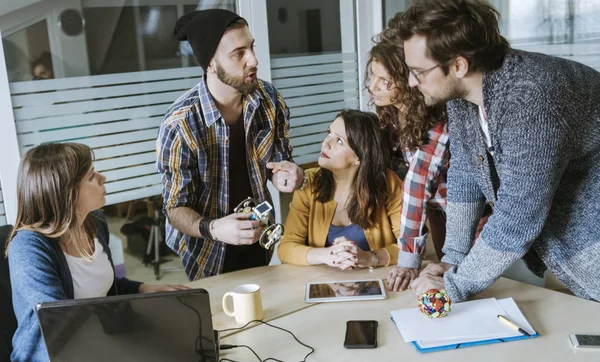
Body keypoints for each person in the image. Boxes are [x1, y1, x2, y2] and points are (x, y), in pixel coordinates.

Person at [391, 0, 600, 302]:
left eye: (418, 72)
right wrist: (453, 260)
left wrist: (454, 286)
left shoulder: (531, 96)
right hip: (569, 242)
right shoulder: (463, 93)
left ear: (459, 65)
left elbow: (519, 215)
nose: (411, 82)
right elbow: (465, 171)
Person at [157, 9, 305, 280]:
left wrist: (288, 175)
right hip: (207, 247)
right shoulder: (180, 124)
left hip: (260, 234)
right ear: (211, 63)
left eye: (251, 47)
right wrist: (215, 229)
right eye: (239, 53)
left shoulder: (269, 99)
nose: (253, 60)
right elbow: (175, 207)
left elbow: (280, 161)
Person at [6, 142, 187, 362]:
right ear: (66, 193)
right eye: (91, 176)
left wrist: (145, 289)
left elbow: (103, 289)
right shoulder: (28, 247)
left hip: (98, 345)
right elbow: (57, 318)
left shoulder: (95, 222)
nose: (103, 178)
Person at [365, 35, 449, 292]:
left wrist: (409, 259)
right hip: (438, 217)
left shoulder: (439, 124)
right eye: (372, 76)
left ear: (409, 81)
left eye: (384, 81)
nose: (372, 86)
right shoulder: (393, 120)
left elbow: (417, 184)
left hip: (471, 219)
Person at [277, 109, 402, 269]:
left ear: (359, 157)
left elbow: (410, 247)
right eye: (329, 133)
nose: (325, 143)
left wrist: (370, 258)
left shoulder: (388, 183)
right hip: (322, 284)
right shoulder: (309, 182)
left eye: (339, 141)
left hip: (378, 281)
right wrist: (328, 255)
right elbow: (286, 248)